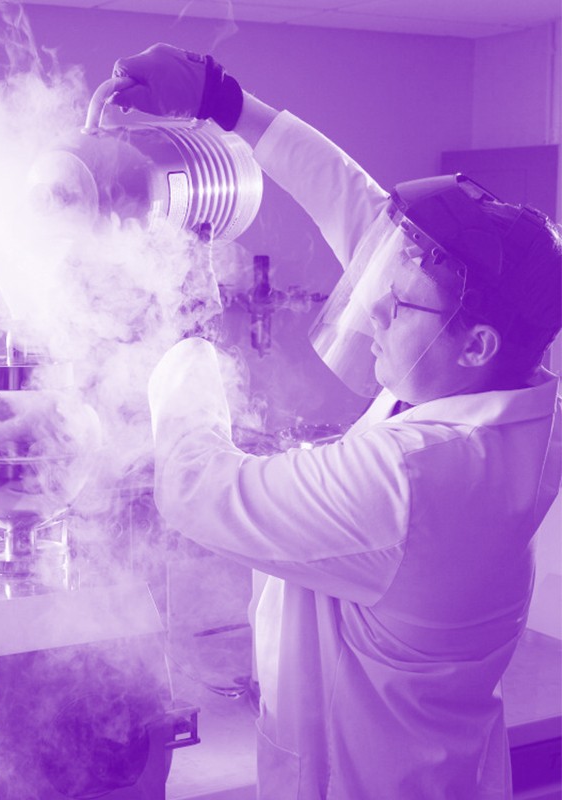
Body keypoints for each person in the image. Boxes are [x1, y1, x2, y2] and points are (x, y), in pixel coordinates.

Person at [109, 44, 562, 799]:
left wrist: (184, 336)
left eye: (400, 300)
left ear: (476, 342)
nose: (373, 306)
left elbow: (197, 488)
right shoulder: (513, 406)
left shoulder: (416, 476)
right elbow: (359, 206)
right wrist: (227, 103)